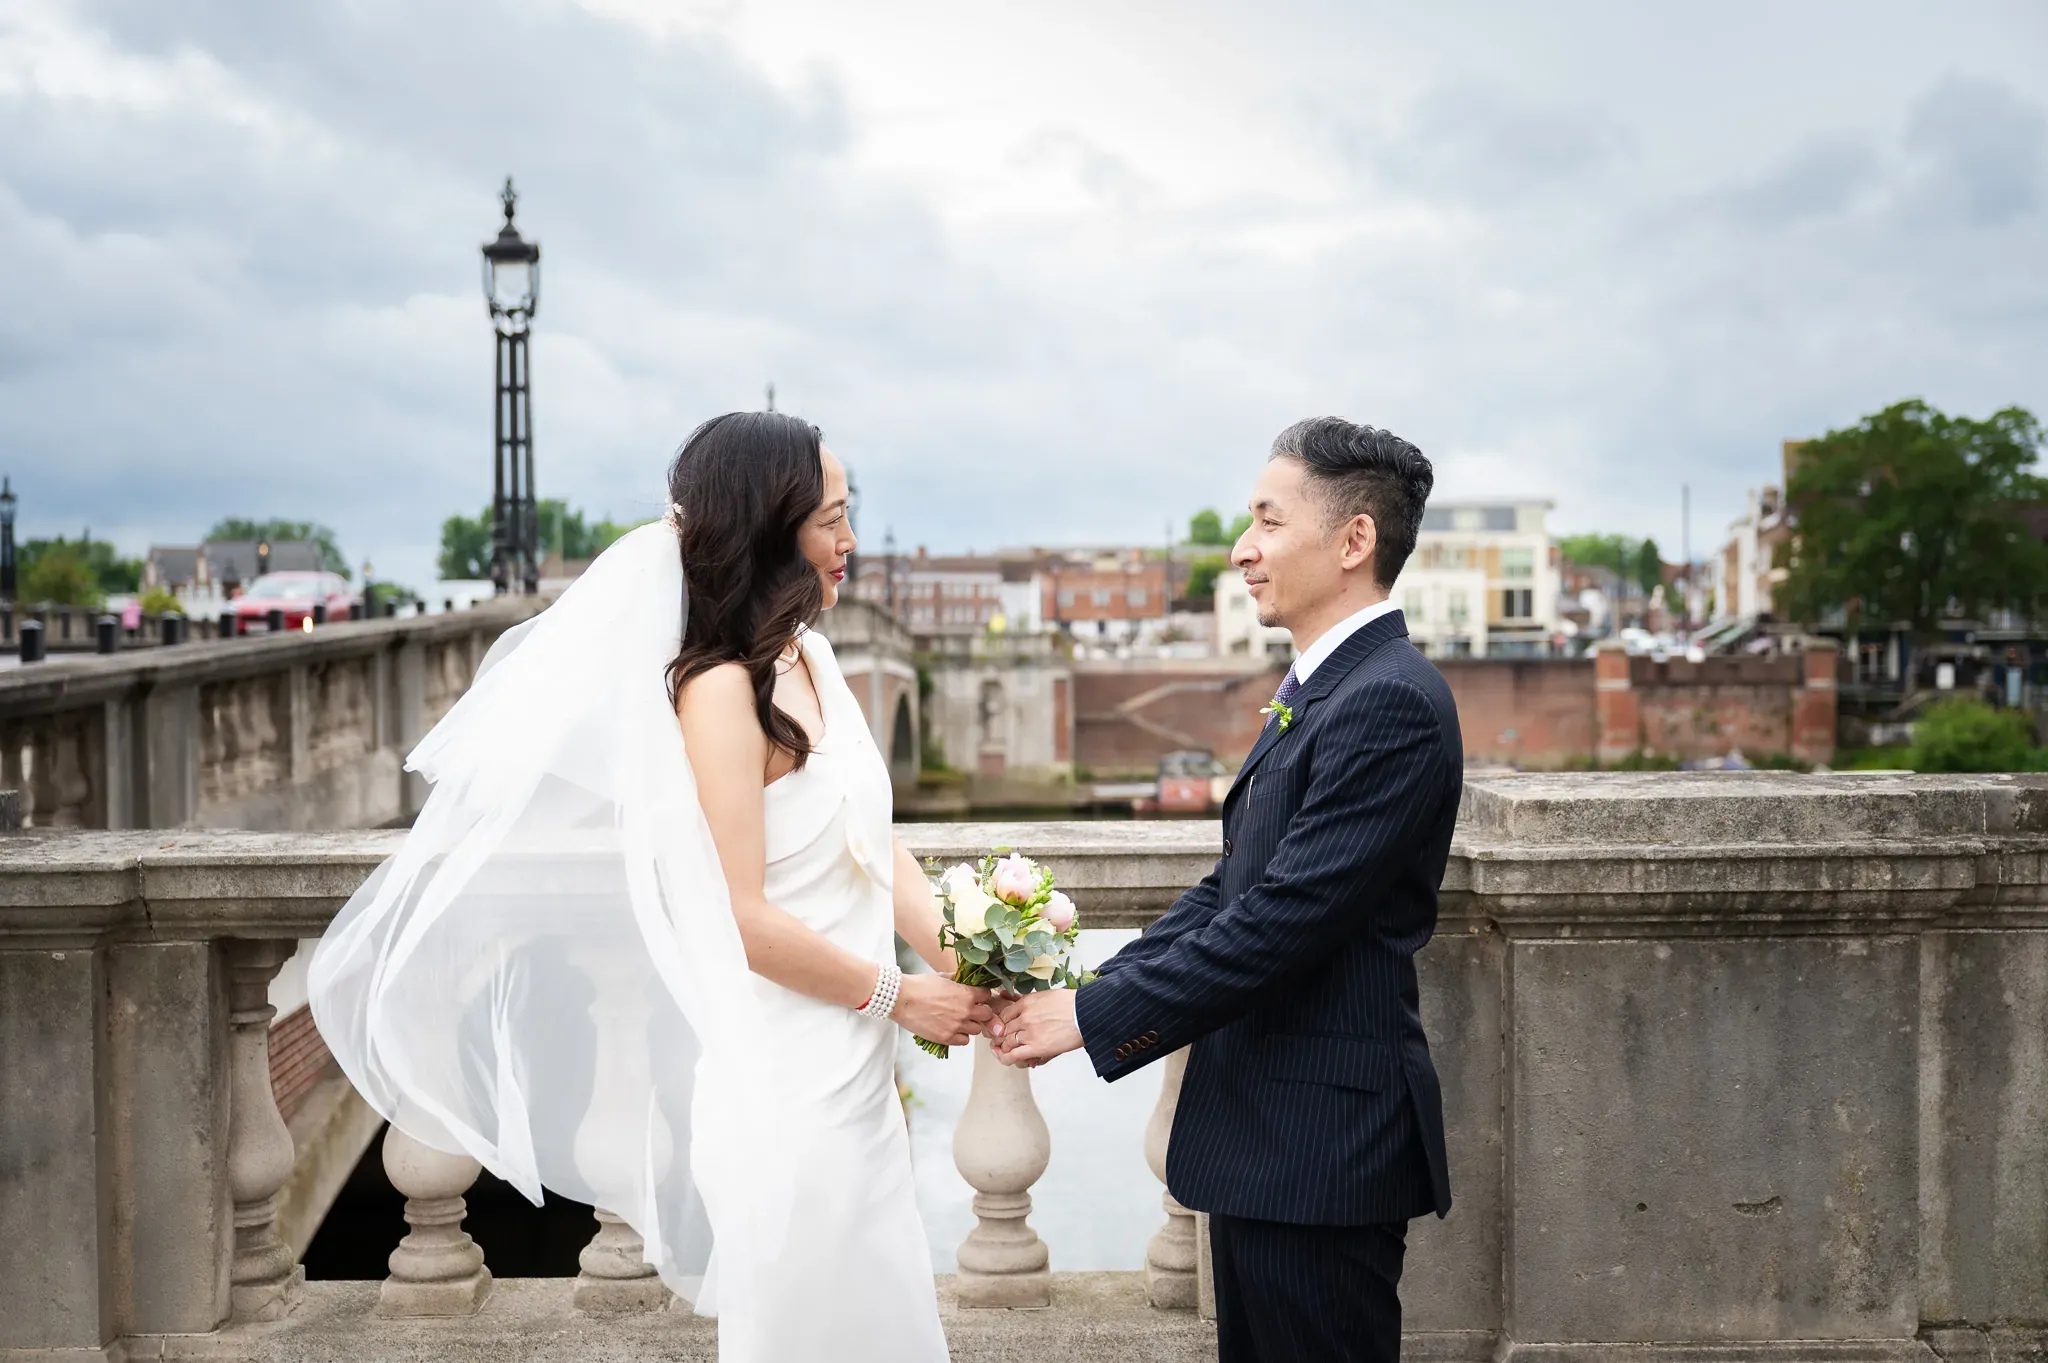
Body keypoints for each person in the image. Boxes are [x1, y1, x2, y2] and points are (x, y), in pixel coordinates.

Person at [310, 411, 989, 1362]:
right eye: (831, 518)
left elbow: (873, 845)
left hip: (859, 1082)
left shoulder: (815, 657)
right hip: (786, 1087)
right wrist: (901, 994)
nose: (849, 542)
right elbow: (741, 917)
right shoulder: (717, 691)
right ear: (768, 524)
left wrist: (962, 942)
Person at [992, 416, 1461, 1363]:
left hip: (1323, 1147)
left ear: (1354, 541)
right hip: (1270, 1140)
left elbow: (1283, 922)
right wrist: (1086, 993)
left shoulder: (1389, 701)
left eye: (1267, 521)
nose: (1243, 549)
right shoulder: (1327, 685)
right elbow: (1233, 888)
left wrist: (1092, 1016)